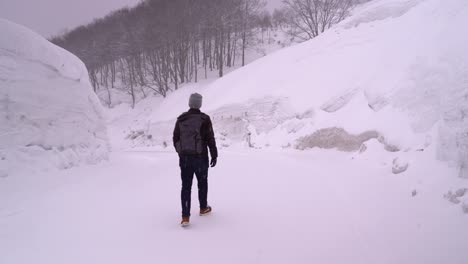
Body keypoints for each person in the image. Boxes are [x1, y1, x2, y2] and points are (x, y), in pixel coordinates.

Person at [173, 93, 218, 227]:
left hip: (185, 159)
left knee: (186, 187)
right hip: (200, 158)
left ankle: (185, 217)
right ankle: (203, 208)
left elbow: (175, 138)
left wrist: (181, 153)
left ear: (189, 103)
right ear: (200, 104)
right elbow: (210, 138)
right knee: (202, 183)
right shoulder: (205, 119)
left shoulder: (181, 119)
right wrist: (214, 154)